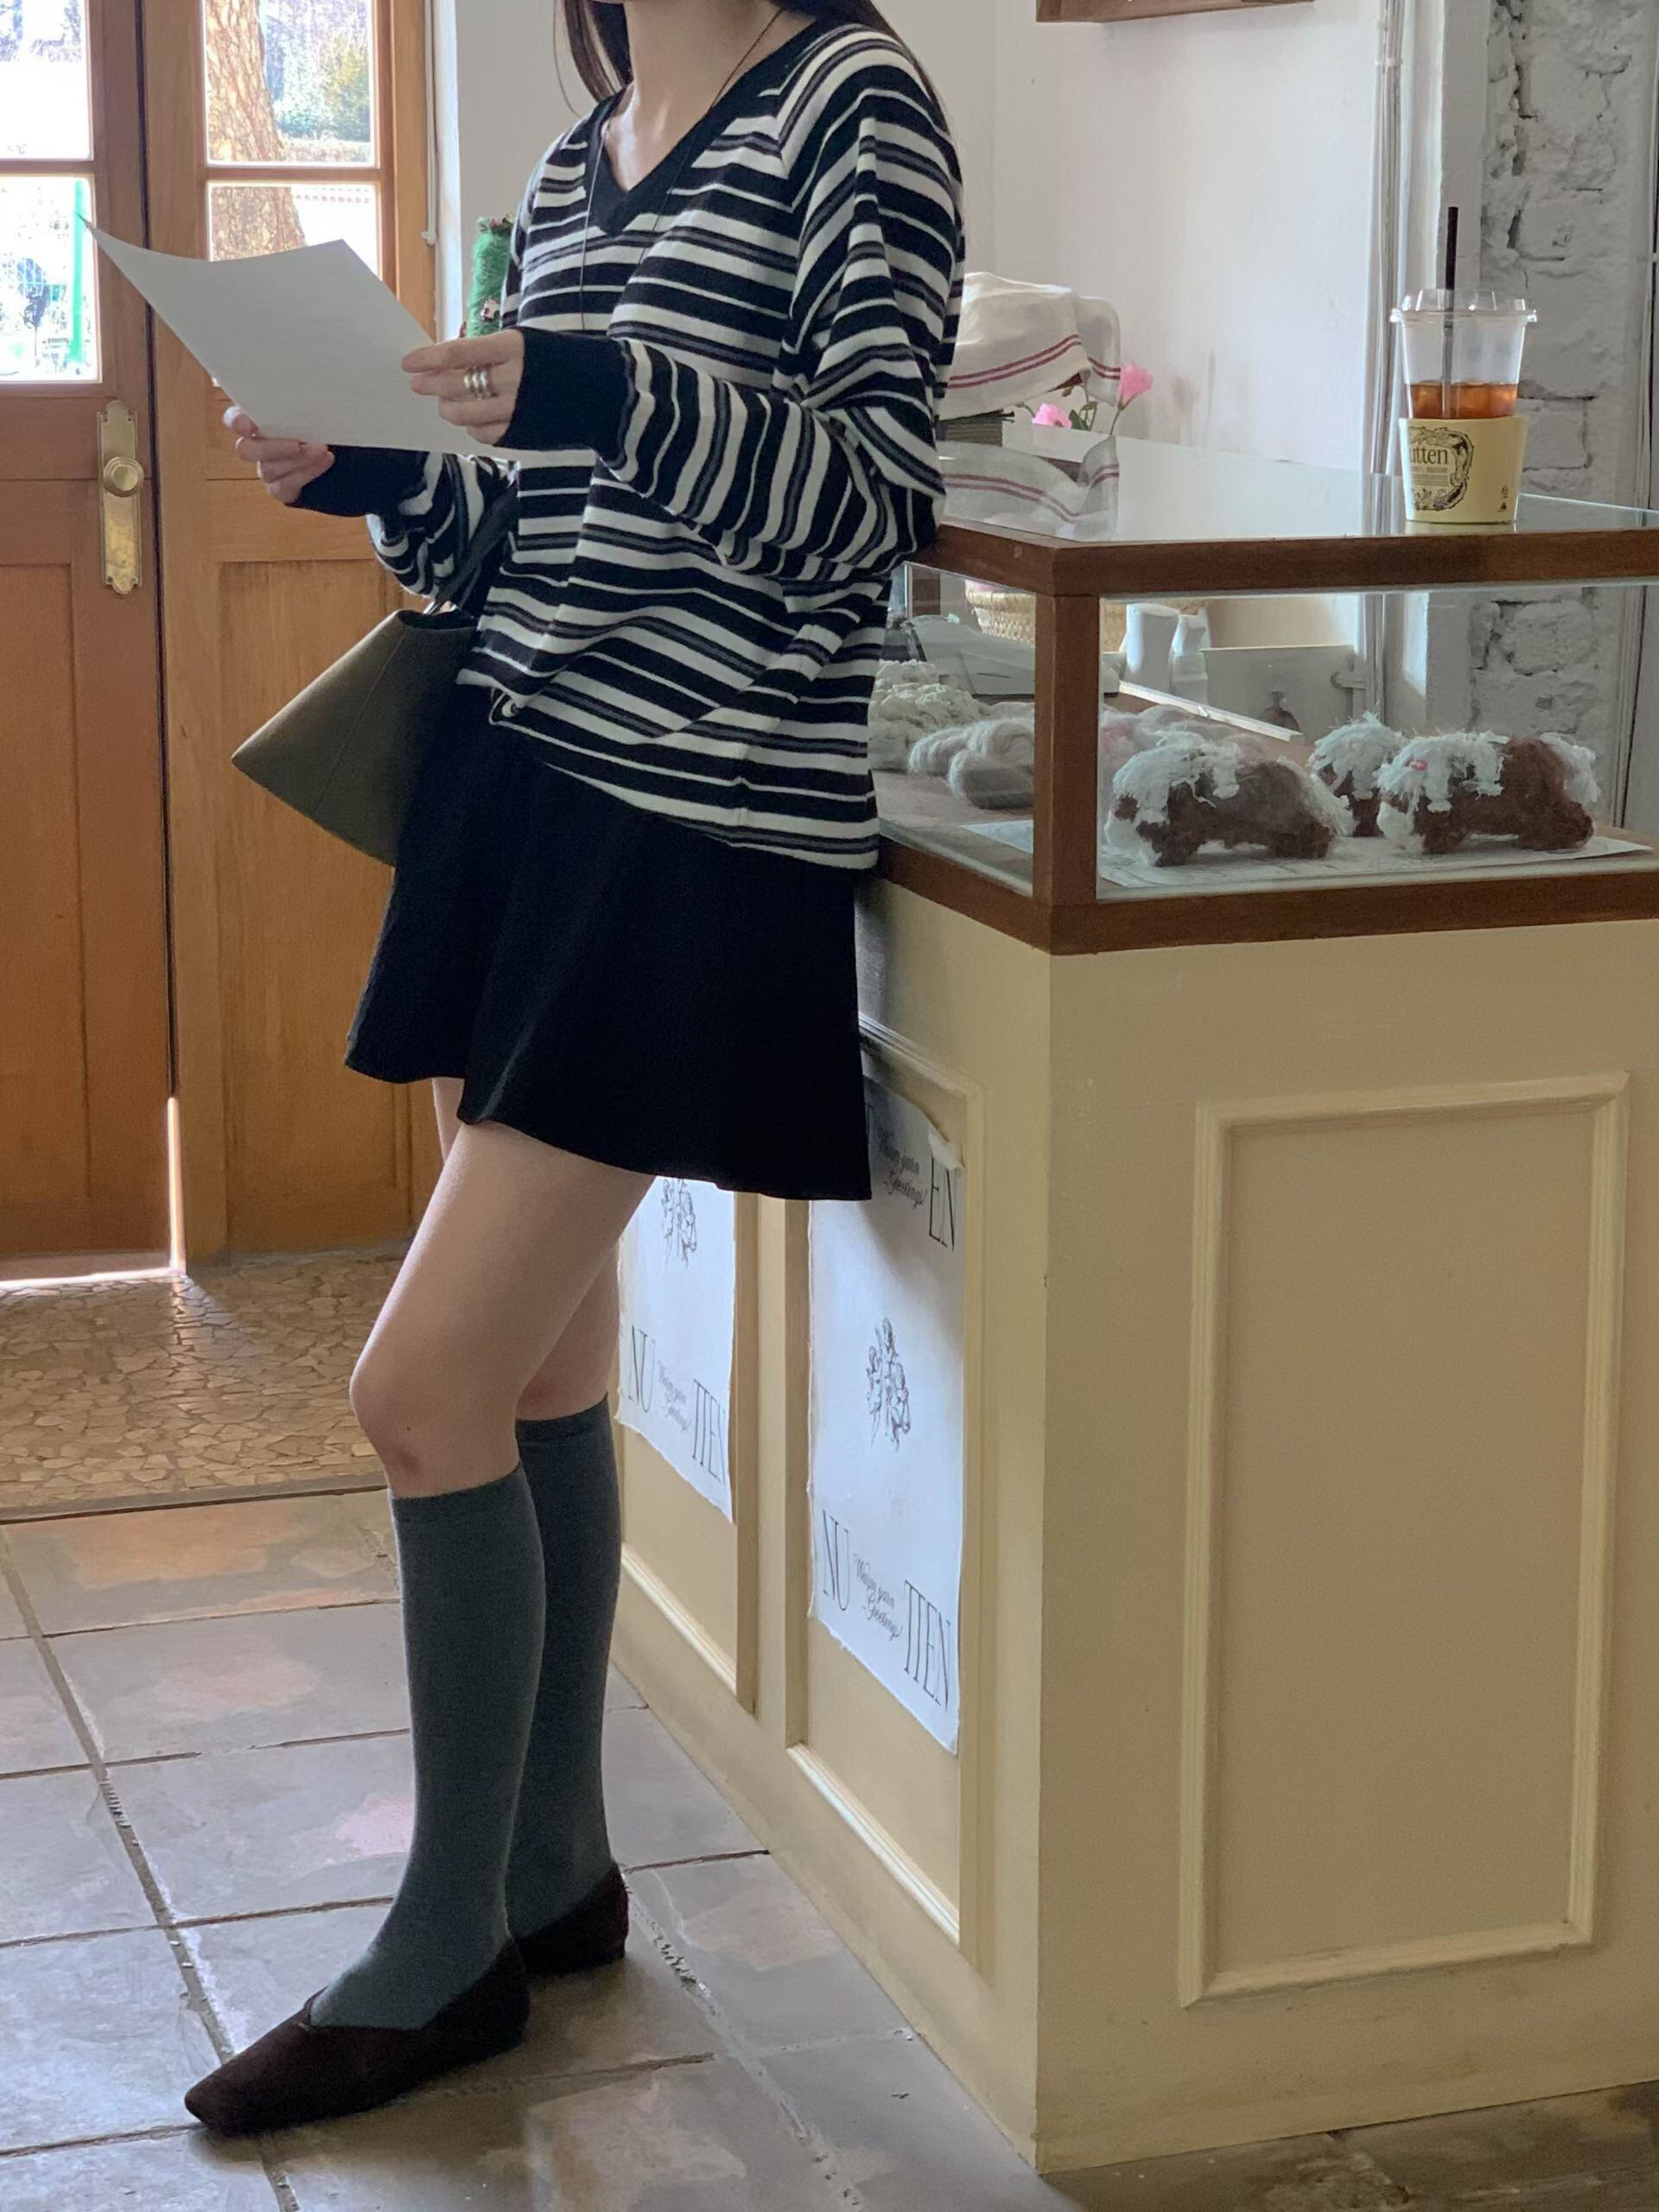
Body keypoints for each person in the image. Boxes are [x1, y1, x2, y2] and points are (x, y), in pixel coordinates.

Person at [184, 0, 963, 2136]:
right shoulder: (578, 152)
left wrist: (591, 383)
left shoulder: (855, 100)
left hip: (690, 826)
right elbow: (504, 534)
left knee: (412, 1386)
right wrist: (373, 471)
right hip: (516, 788)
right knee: (533, 1371)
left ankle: (444, 1945)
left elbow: (872, 498)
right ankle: (551, 1868)